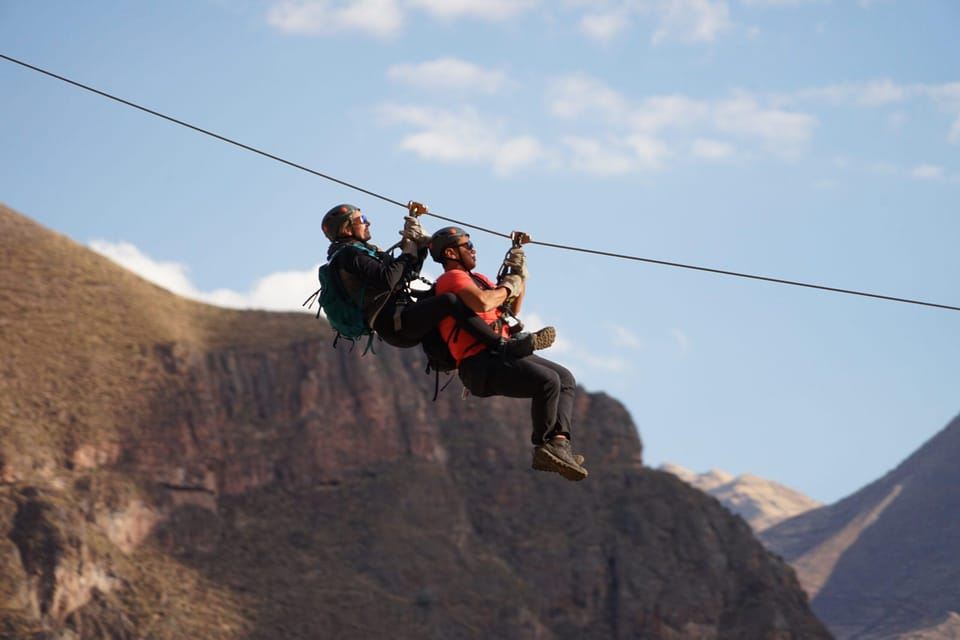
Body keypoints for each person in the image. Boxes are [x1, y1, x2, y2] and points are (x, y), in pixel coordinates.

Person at [429, 226, 588, 481]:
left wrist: (518, 274)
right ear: (450, 253)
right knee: (547, 381)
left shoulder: (478, 279)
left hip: (499, 353)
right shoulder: (451, 279)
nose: (473, 250)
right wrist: (507, 286)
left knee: (565, 378)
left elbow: (510, 308)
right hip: (479, 361)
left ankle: (559, 442)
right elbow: (484, 302)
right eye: (468, 246)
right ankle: (543, 446)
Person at [320, 202, 551, 357]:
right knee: (449, 301)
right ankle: (500, 344)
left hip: (399, 320)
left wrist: (418, 245)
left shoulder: (362, 253)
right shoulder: (348, 255)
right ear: (346, 229)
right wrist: (409, 249)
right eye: (362, 219)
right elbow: (389, 279)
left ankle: (502, 334)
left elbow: (405, 274)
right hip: (394, 323)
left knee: (448, 295)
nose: (368, 222)